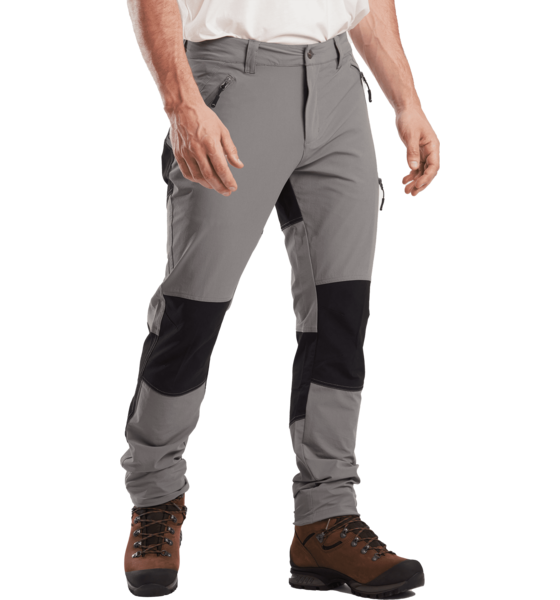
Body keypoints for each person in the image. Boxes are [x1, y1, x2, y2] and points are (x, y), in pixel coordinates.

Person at [121, 0, 440, 597]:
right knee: (194, 310)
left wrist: (407, 100)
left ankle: (326, 518)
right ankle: (155, 500)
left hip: (339, 86)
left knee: (340, 315)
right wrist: (183, 105)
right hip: (231, 79)